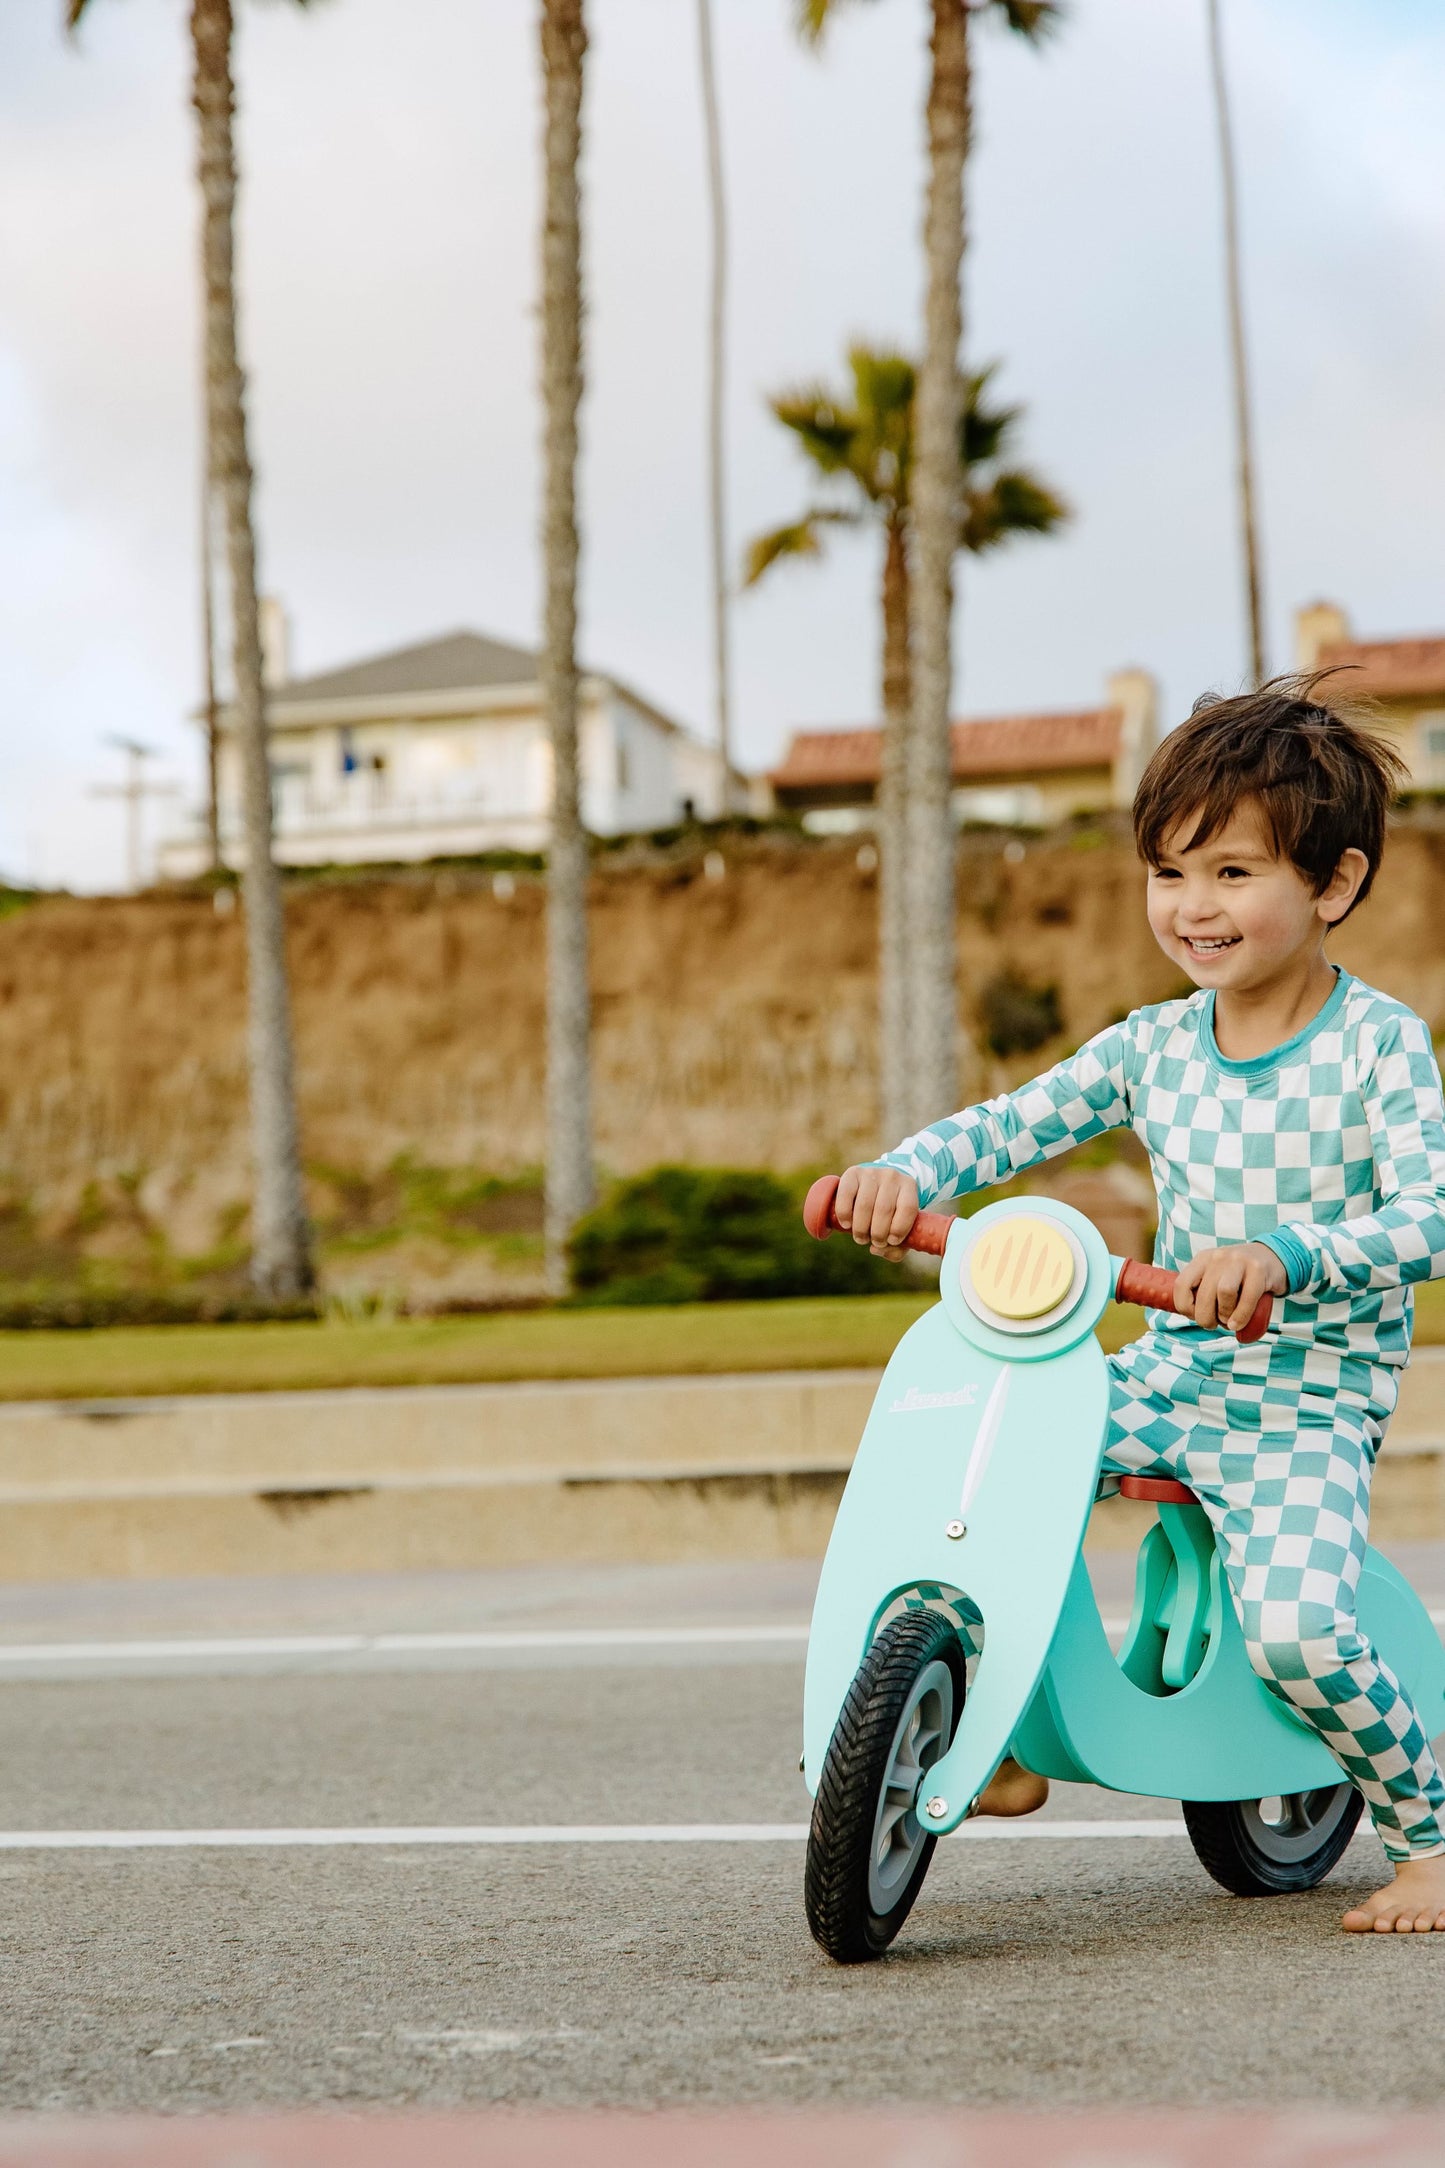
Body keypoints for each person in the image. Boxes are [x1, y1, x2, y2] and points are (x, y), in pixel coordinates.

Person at [835, 678, 1445, 1935]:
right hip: (1169, 1363)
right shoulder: (1151, 1046)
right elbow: (1014, 1122)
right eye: (1168, 873)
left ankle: (1425, 1837)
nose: (1193, 907)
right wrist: (904, 1174)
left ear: (1331, 885)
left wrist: (1284, 1254)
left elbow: (1428, 1215)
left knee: (1295, 1629)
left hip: (1302, 1394)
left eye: (1230, 872)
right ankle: (991, 1729)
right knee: (984, 1475)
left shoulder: (1379, 1046)